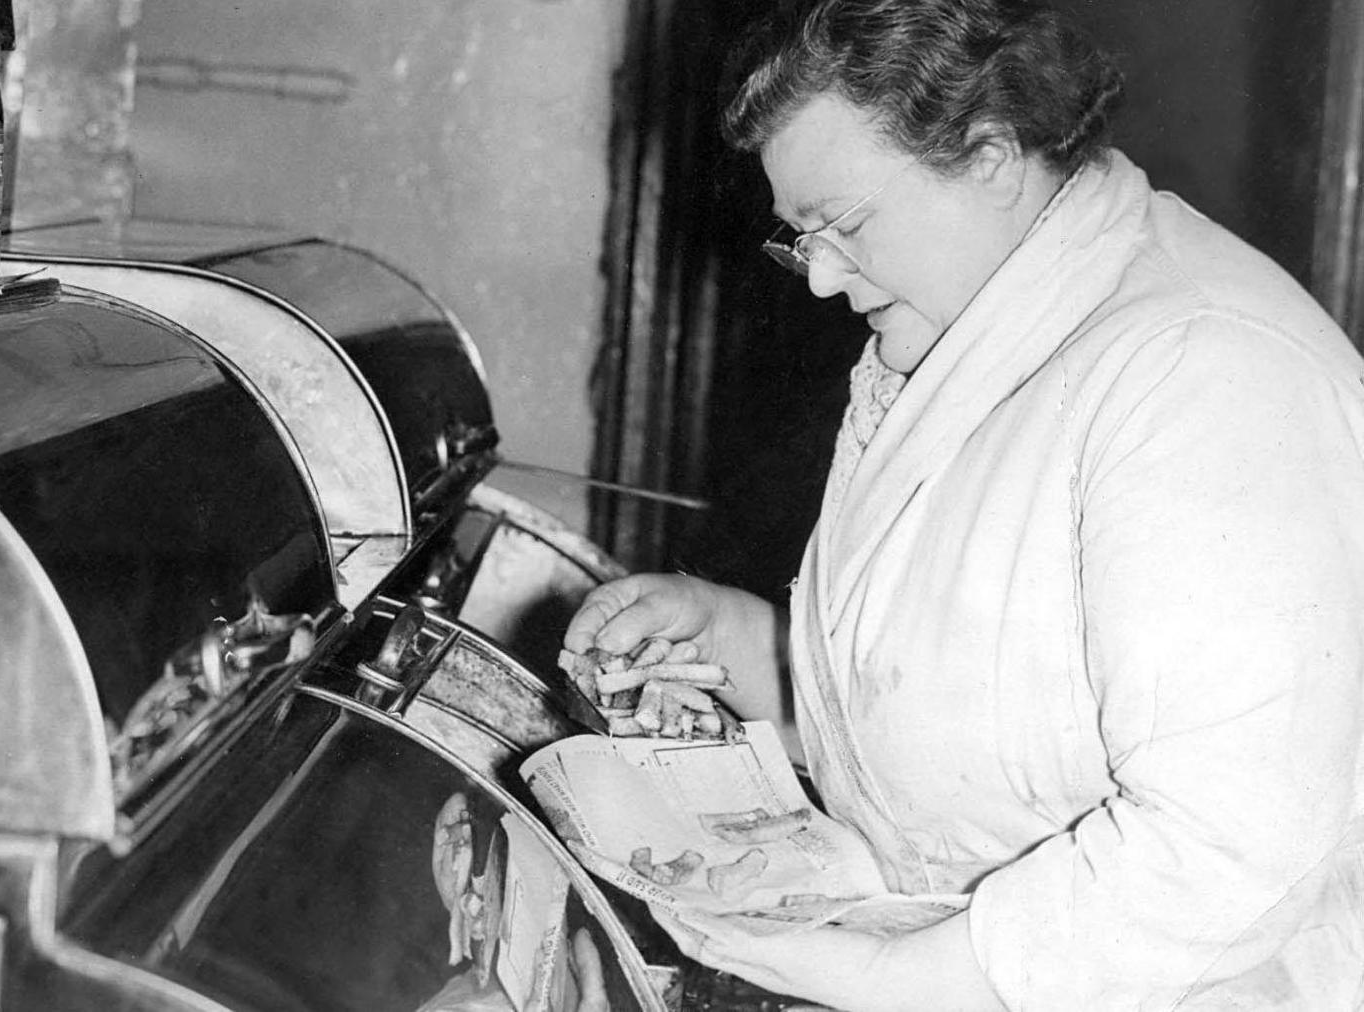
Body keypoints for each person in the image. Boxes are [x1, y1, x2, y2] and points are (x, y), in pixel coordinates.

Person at [563, 0, 1364, 1008]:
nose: (816, 278)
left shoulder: (1202, 373)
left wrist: (889, 974)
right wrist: (737, 640)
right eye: (798, 236)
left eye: (843, 225)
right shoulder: (972, 330)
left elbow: (1229, 851)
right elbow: (984, 715)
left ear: (990, 155)